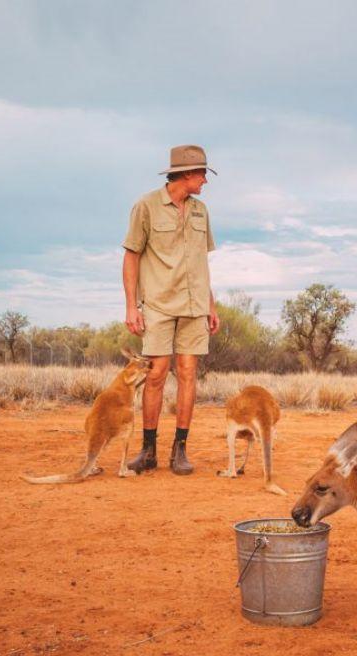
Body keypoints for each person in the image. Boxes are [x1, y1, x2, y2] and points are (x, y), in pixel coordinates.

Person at [121, 144, 221, 475]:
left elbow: (200, 261)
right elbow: (131, 255)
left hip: (194, 306)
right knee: (157, 374)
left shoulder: (200, 210)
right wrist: (131, 306)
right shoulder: (146, 206)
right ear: (187, 174)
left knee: (189, 373)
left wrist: (211, 304)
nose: (205, 181)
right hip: (159, 305)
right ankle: (147, 450)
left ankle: (180, 450)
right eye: (203, 174)